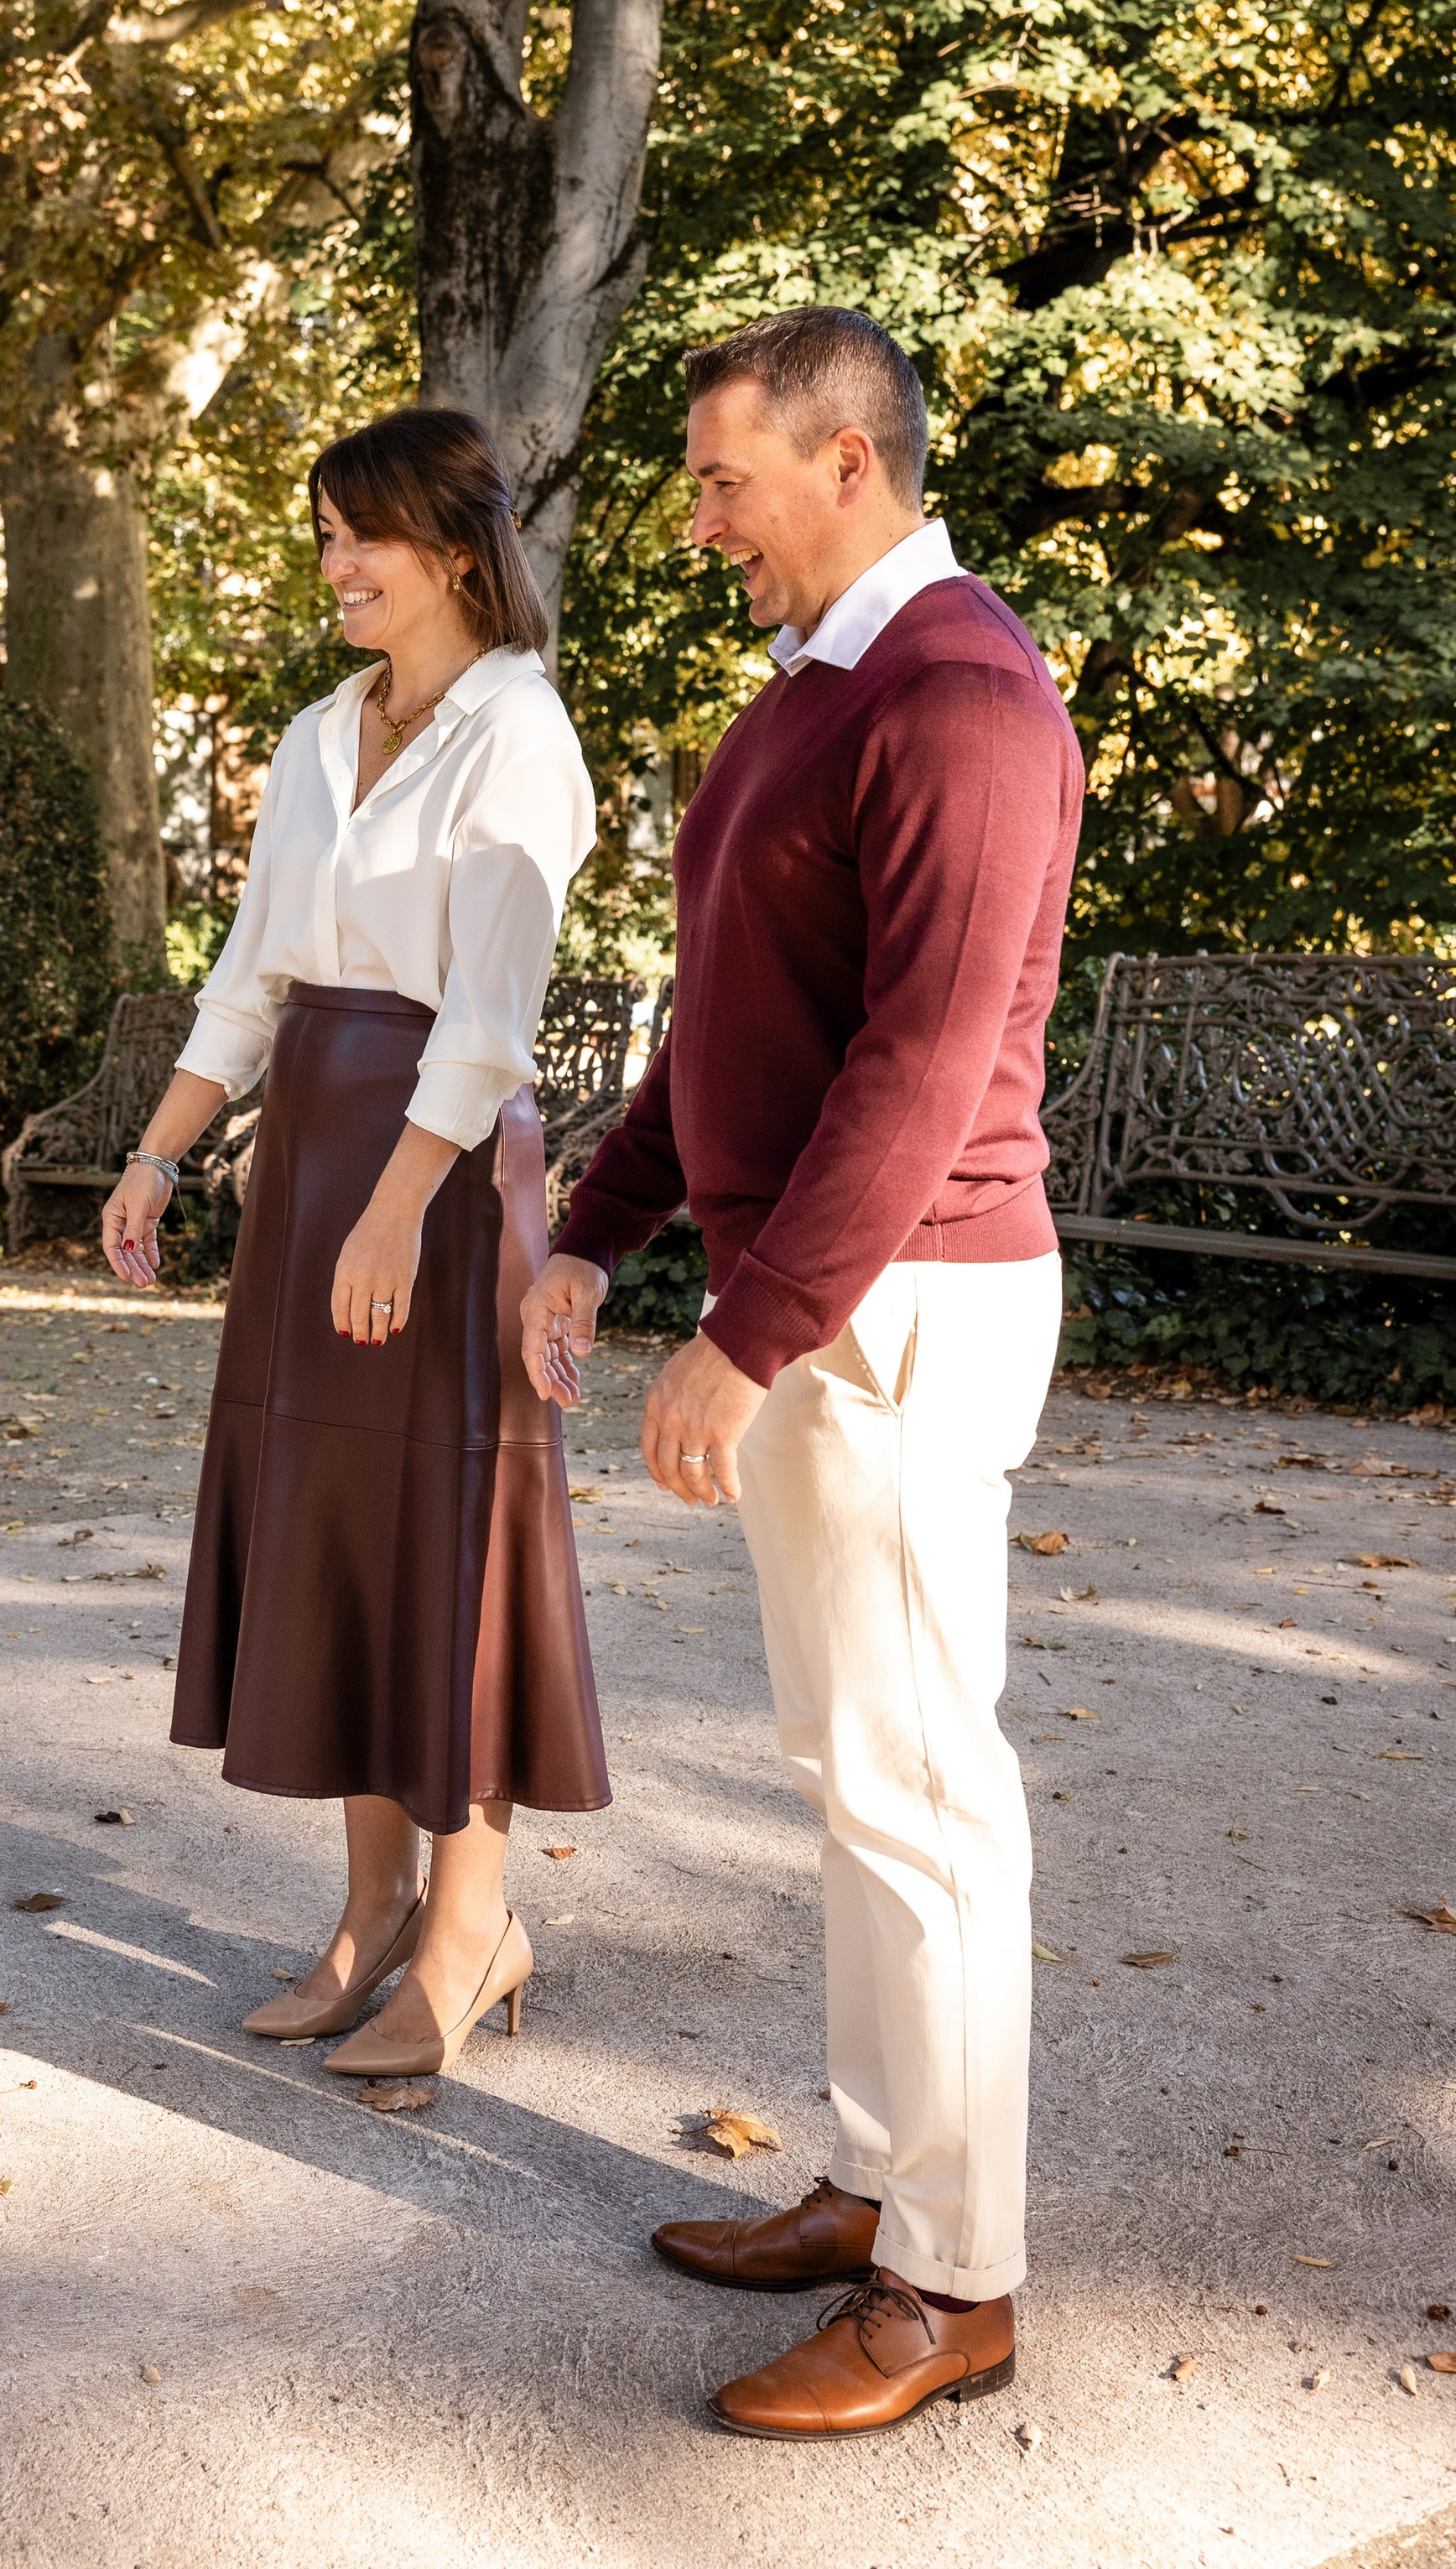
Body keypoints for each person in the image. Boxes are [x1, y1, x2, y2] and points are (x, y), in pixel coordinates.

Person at [520, 307, 1084, 2441]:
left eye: (721, 481)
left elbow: (922, 1068)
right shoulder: (815, 694)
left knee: (925, 1792)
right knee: (856, 1776)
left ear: (848, 464)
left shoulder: (955, 699)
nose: (699, 521)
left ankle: (953, 2283)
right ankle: (876, 2181)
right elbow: (730, 1027)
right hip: (821, 1290)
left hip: (904, 1303)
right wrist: (597, 1225)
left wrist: (747, 1335)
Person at [101, 405, 609, 2079]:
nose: (330, 566)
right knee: (334, 1531)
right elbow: (250, 970)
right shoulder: (320, 732)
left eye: (356, 537)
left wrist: (398, 1204)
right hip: (313, 1157)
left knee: (442, 1549)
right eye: (318, 536)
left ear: (453, 549)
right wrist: (159, 1159)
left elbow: (487, 1012)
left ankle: (474, 1930)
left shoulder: (516, 734)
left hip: (437, 1172)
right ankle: (368, 1913)